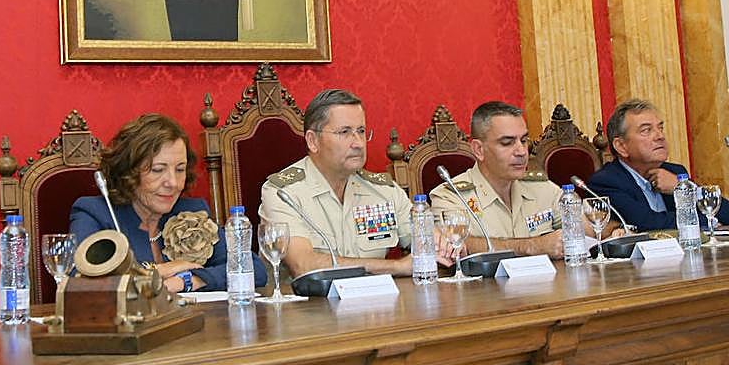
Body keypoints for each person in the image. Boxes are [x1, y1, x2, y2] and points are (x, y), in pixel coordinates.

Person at [259, 89, 458, 278]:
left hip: (376, 308)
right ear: (313, 141)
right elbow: (304, 265)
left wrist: (440, 242)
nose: (358, 143)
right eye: (345, 132)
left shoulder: (384, 191)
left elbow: (430, 242)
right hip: (307, 309)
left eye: (361, 131)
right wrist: (397, 266)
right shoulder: (283, 193)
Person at [69, 113, 266, 294]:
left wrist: (189, 281)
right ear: (128, 172)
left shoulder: (192, 213)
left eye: (180, 169)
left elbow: (254, 269)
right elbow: (80, 284)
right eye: (157, 170)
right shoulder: (95, 213)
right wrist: (160, 270)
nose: (172, 183)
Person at [429, 101, 610, 259]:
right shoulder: (450, 196)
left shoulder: (542, 188)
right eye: (507, 143)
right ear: (478, 150)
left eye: (523, 141)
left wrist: (610, 232)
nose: (521, 151)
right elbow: (458, 245)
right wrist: (533, 246)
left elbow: (588, 229)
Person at [586, 98, 729, 231]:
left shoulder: (675, 172)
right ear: (621, 146)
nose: (659, 136)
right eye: (646, 130)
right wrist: (711, 222)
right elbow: (647, 224)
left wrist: (683, 188)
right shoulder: (605, 182)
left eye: (660, 128)